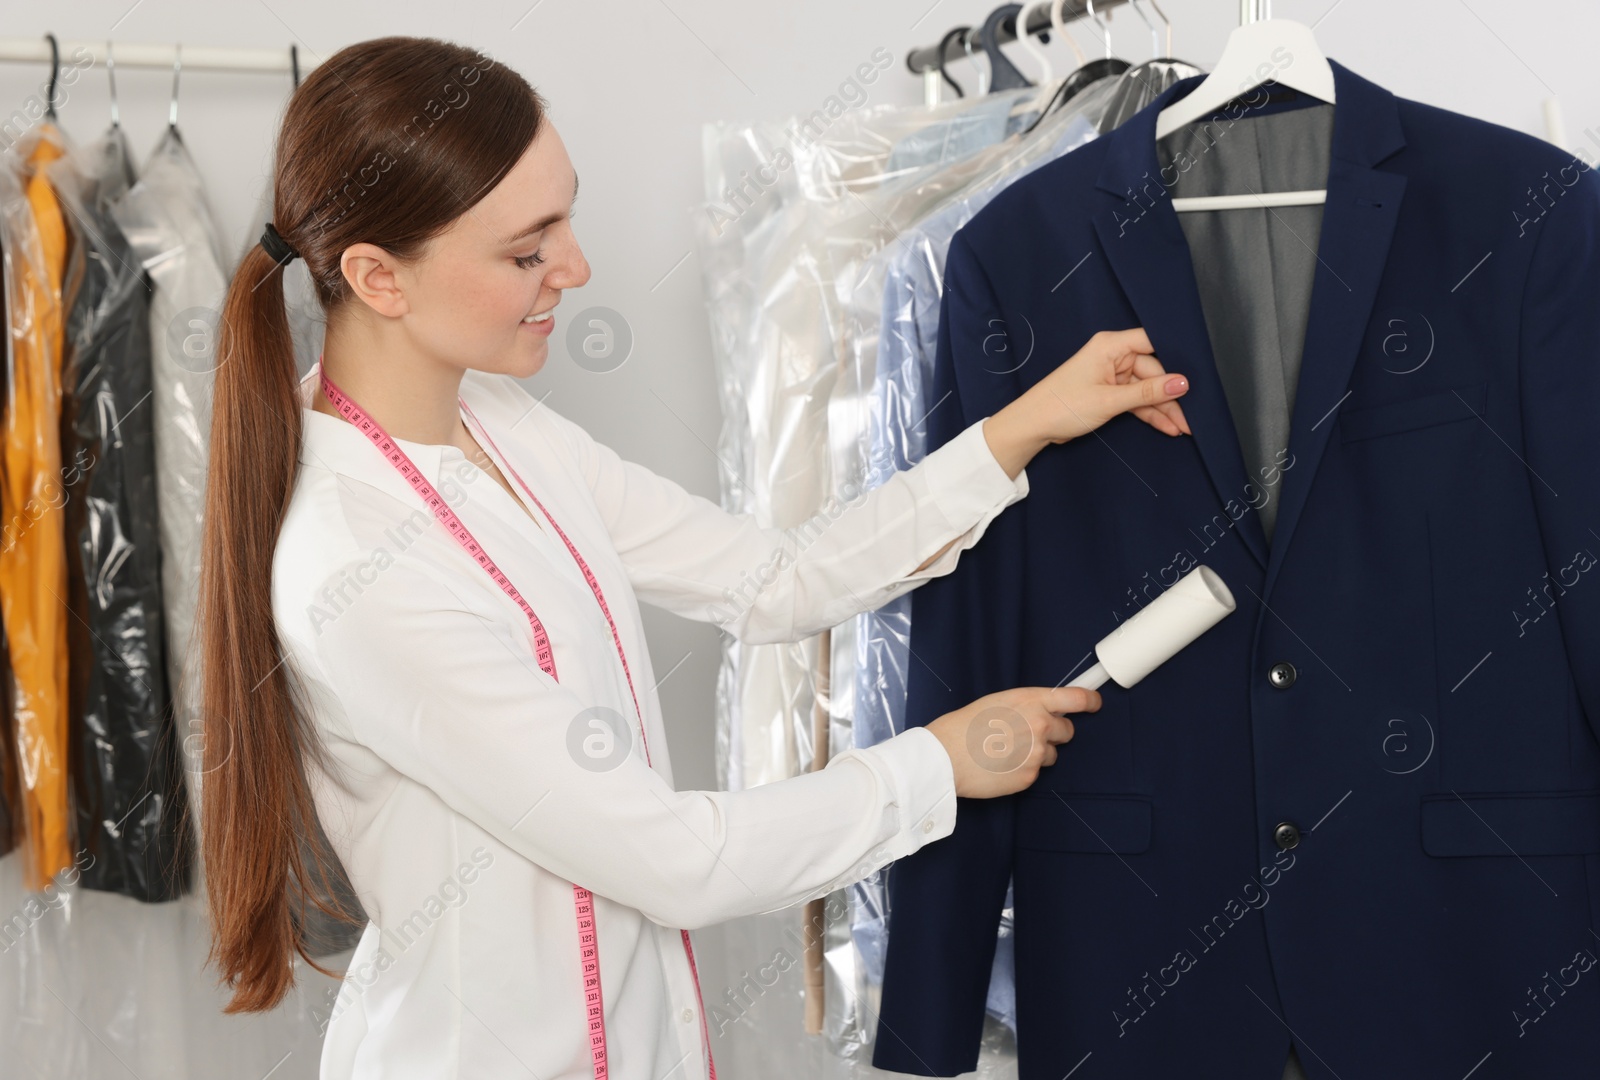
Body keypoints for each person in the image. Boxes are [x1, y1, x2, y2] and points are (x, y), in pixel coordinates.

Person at [194, 35, 1191, 1080]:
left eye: (566, 217)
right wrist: (938, 765)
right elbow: (673, 861)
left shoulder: (497, 422)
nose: (575, 267)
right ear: (375, 277)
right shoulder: (357, 567)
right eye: (527, 250)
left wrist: (1021, 426)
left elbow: (774, 580)